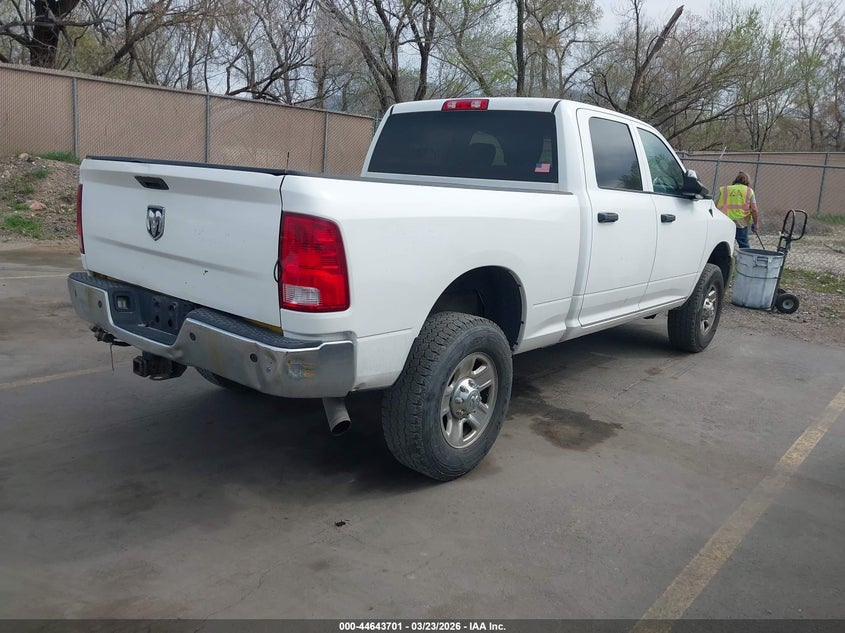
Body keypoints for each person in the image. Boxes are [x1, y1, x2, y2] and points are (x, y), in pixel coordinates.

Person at [715, 171, 760, 249]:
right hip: (741, 222)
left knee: (722, 243)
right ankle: (745, 260)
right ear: (748, 181)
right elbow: (754, 209)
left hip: (724, 220)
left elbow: (716, 205)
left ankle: (725, 259)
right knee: (744, 245)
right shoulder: (749, 191)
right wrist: (756, 224)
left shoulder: (725, 189)